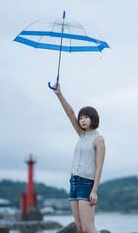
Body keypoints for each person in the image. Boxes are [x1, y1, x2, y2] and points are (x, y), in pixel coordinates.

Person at [53, 83, 106, 233]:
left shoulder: (99, 139)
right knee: (80, 228)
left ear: (93, 119)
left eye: (86, 117)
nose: (82, 120)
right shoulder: (82, 135)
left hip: (86, 183)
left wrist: (94, 190)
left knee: (89, 228)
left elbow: (99, 166)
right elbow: (70, 113)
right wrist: (59, 94)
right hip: (74, 182)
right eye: (81, 117)